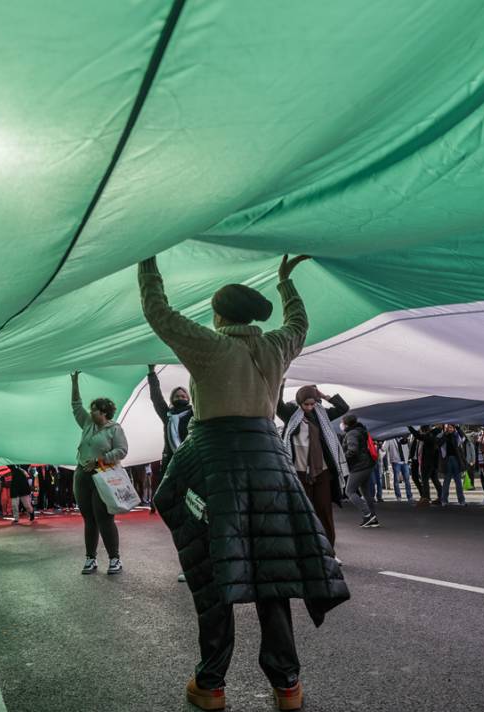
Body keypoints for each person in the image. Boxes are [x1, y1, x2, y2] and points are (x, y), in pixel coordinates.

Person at [139, 254, 348, 712]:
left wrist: (147, 260)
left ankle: (211, 684)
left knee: (216, 569)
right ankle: (287, 686)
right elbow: (300, 321)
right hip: (269, 464)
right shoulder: (276, 346)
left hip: (218, 463)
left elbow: (158, 312)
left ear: (217, 316)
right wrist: (285, 281)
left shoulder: (209, 346)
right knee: (273, 571)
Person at [278, 385, 350, 555]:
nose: (309, 407)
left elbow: (343, 408)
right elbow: (277, 404)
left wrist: (324, 396)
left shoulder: (321, 414)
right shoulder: (289, 413)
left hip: (322, 472)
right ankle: (306, 551)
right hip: (299, 473)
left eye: (312, 404)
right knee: (303, 512)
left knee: (324, 511)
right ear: (299, 402)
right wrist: (280, 384)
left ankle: (328, 551)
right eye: (306, 404)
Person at [70, 371, 128, 575]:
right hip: (82, 475)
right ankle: (90, 559)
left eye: (94, 410)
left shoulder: (115, 429)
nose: (90, 412)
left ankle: (114, 559)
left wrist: (99, 460)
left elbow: (122, 451)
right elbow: (76, 405)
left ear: (104, 412)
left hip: (103, 475)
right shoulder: (87, 423)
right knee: (88, 517)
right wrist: (74, 382)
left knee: (104, 517)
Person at [147, 364, 194, 514]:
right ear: (172, 399)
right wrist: (151, 373)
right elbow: (156, 398)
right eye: (177, 396)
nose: (180, 398)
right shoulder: (167, 415)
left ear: (189, 398)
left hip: (190, 457)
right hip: (170, 459)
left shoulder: (194, 414)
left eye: (183, 396)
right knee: (168, 491)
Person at [340, 414, 381, 528]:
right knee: (366, 492)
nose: (341, 425)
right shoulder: (360, 431)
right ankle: (373, 518)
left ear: (346, 424)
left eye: (342, 422)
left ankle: (367, 514)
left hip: (359, 466)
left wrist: (342, 458)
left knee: (349, 491)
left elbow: (353, 450)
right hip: (367, 464)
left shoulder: (351, 433)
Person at [407, 425, 443, 507]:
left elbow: (418, 436)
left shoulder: (429, 436)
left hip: (428, 463)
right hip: (431, 463)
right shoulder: (432, 436)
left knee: (425, 480)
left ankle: (426, 498)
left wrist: (410, 427)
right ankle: (441, 497)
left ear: (424, 430)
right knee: (434, 480)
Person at [436, 424, 469, 506]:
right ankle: (444, 500)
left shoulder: (456, 435)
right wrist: (445, 435)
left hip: (456, 460)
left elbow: (464, 438)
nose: (449, 429)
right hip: (447, 461)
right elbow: (438, 444)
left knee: (458, 482)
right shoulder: (442, 436)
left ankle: (461, 501)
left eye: (451, 427)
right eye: (447, 427)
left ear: (454, 428)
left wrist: (458, 428)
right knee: (446, 482)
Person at [384, 435, 413, 503]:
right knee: (396, 480)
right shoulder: (390, 439)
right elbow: (384, 448)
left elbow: (408, 449)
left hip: (404, 461)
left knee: (407, 480)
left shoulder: (404, 438)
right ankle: (398, 496)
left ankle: (409, 496)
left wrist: (409, 459)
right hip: (396, 461)